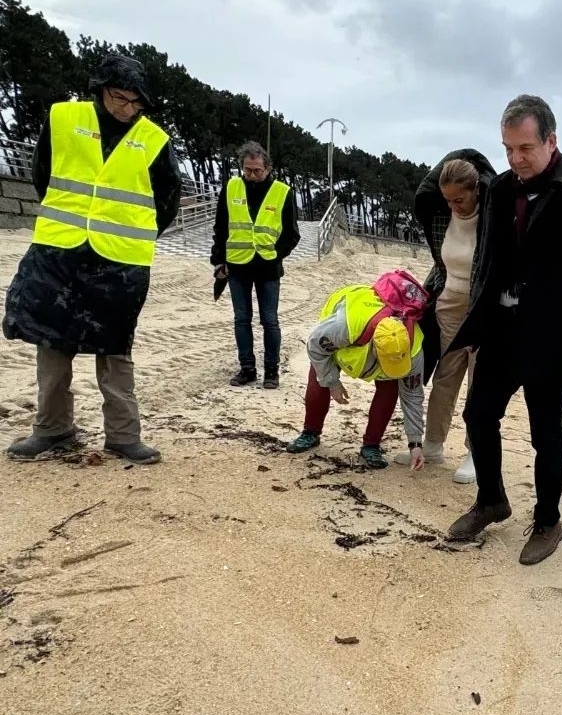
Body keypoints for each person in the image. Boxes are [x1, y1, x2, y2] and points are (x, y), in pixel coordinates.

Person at [444, 94, 562, 565]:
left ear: (551, 140)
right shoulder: (499, 191)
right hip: (501, 329)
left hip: (551, 337)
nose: (516, 159)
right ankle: (491, 500)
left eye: (525, 148)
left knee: (546, 431)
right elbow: (487, 263)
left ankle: (547, 521)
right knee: (479, 416)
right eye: (508, 149)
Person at [3, 55, 182, 465]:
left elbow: (166, 200)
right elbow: (42, 175)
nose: (127, 108)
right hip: (59, 249)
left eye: (136, 102)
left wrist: (131, 233)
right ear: (100, 90)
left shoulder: (153, 139)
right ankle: (52, 430)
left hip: (120, 259)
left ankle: (123, 436)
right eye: (120, 98)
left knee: (116, 346)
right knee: (51, 339)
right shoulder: (64, 118)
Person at [399, 150, 495, 482]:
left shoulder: (494, 217)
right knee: (445, 377)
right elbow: (440, 264)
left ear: (477, 190)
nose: (453, 205)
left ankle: (476, 453)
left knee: (479, 383)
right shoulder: (441, 217)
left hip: (485, 311)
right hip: (449, 307)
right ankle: (434, 445)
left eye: (459, 198)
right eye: (447, 199)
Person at [285, 280, 427, 470]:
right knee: (319, 377)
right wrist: (332, 382)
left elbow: (412, 395)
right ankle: (310, 432)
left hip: (369, 340)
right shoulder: (344, 326)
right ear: (375, 349)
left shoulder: (414, 349)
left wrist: (415, 444)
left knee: (390, 387)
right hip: (346, 333)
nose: (388, 368)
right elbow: (315, 346)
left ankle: (371, 446)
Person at [210, 141, 300, 389]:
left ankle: (271, 372)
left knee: (269, 321)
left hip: (268, 268)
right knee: (242, 319)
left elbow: (292, 235)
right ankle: (247, 369)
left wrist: (275, 254)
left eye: (257, 171)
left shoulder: (283, 192)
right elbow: (220, 228)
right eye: (247, 170)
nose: (251, 175)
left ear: (268, 168)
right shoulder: (231, 188)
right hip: (237, 266)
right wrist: (218, 260)